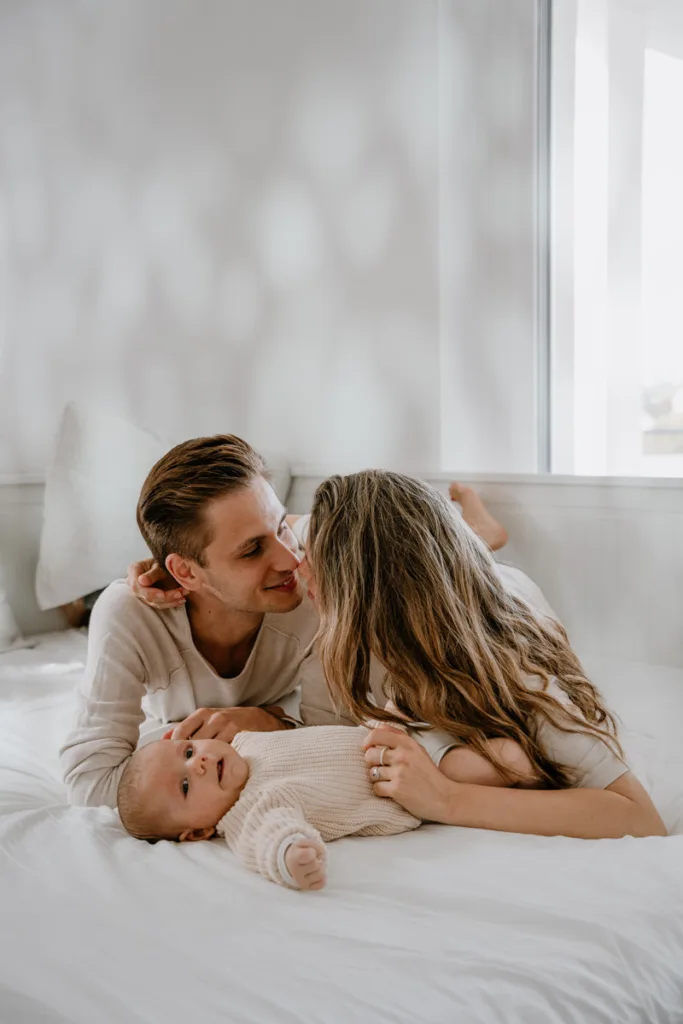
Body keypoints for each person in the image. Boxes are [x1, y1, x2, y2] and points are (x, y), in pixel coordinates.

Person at [60, 434, 509, 807]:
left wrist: (271, 723)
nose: (291, 560)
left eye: (279, 528)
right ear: (185, 572)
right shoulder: (131, 614)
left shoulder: (318, 585)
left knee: (432, 559)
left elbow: (334, 736)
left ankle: (480, 535)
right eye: (252, 550)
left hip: (373, 547)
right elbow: (91, 780)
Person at [297, 470, 667, 840]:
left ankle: (482, 535)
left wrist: (447, 799)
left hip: (505, 597)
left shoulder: (518, 665)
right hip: (444, 588)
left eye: (315, 562)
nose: (298, 570)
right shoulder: (342, 635)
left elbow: (638, 817)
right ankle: (480, 534)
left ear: (362, 590)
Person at [117, 722, 539, 891]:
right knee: (512, 761)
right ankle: (567, 773)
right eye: (187, 784)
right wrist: (290, 856)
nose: (201, 761)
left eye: (189, 751)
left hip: (402, 736)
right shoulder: (248, 810)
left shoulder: (244, 741)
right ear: (197, 833)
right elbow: (269, 837)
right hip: (412, 783)